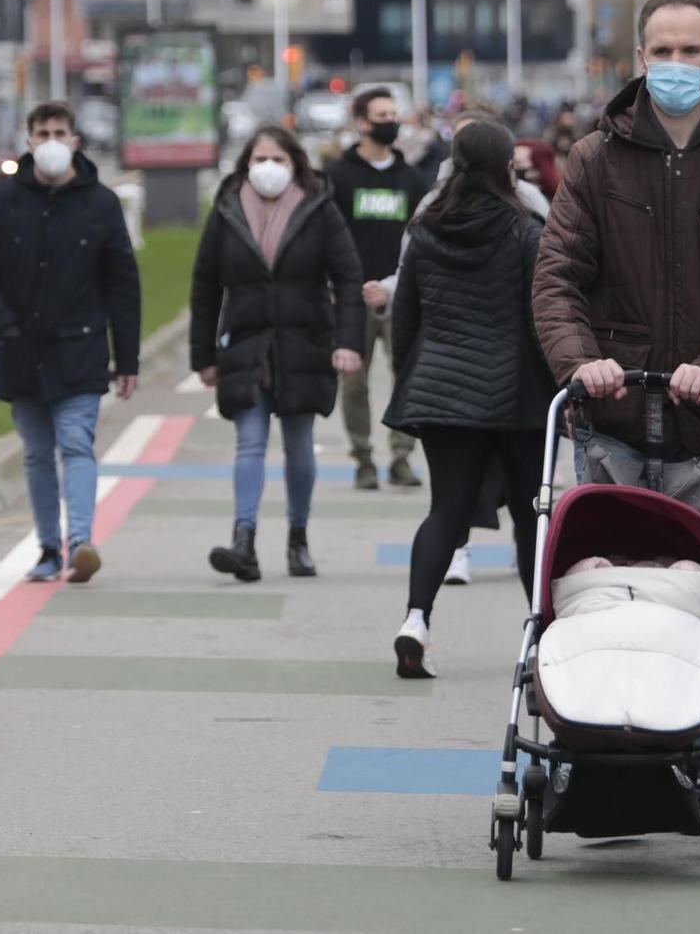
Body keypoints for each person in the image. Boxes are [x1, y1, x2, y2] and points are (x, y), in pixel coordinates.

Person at [532, 0, 700, 677]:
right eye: (663, 51)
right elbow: (556, 277)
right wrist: (579, 362)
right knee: (603, 594)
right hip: (612, 410)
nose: (676, 64)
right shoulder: (594, 160)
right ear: (640, 58)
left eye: (690, 51)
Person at [384, 120, 550, 677]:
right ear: (508, 167)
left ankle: (416, 619)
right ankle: (539, 638)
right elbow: (541, 320)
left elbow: (404, 315)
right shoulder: (525, 231)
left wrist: (411, 376)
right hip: (517, 395)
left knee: (445, 510)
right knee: (532, 518)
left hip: (441, 390)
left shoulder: (427, 229)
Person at [0, 101, 142, 584]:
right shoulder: (2, 201)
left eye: (60, 133)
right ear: (29, 141)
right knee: (38, 453)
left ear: (76, 141)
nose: (51, 142)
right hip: (20, 349)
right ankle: (47, 547)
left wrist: (127, 358)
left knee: (76, 444)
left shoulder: (100, 203)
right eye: (42, 133)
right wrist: (3, 323)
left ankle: (80, 541)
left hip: (79, 349)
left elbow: (122, 285)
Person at [191, 126, 364, 581]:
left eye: (278, 159)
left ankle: (298, 538)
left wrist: (348, 342)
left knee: (298, 445)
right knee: (248, 442)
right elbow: (205, 284)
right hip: (246, 343)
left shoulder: (319, 210)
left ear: (295, 163)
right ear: (246, 163)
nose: (268, 168)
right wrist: (203, 355)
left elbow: (348, 277)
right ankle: (243, 540)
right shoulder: (227, 211)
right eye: (259, 158)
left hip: (304, 342)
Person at [325, 87, 432, 490]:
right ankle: (363, 458)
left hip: (402, 296)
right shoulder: (337, 177)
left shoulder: (411, 180)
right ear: (362, 122)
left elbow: (421, 239)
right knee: (353, 383)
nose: (391, 121)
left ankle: (401, 457)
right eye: (382, 115)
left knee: (407, 378)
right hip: (351, 299)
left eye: (394, 113)